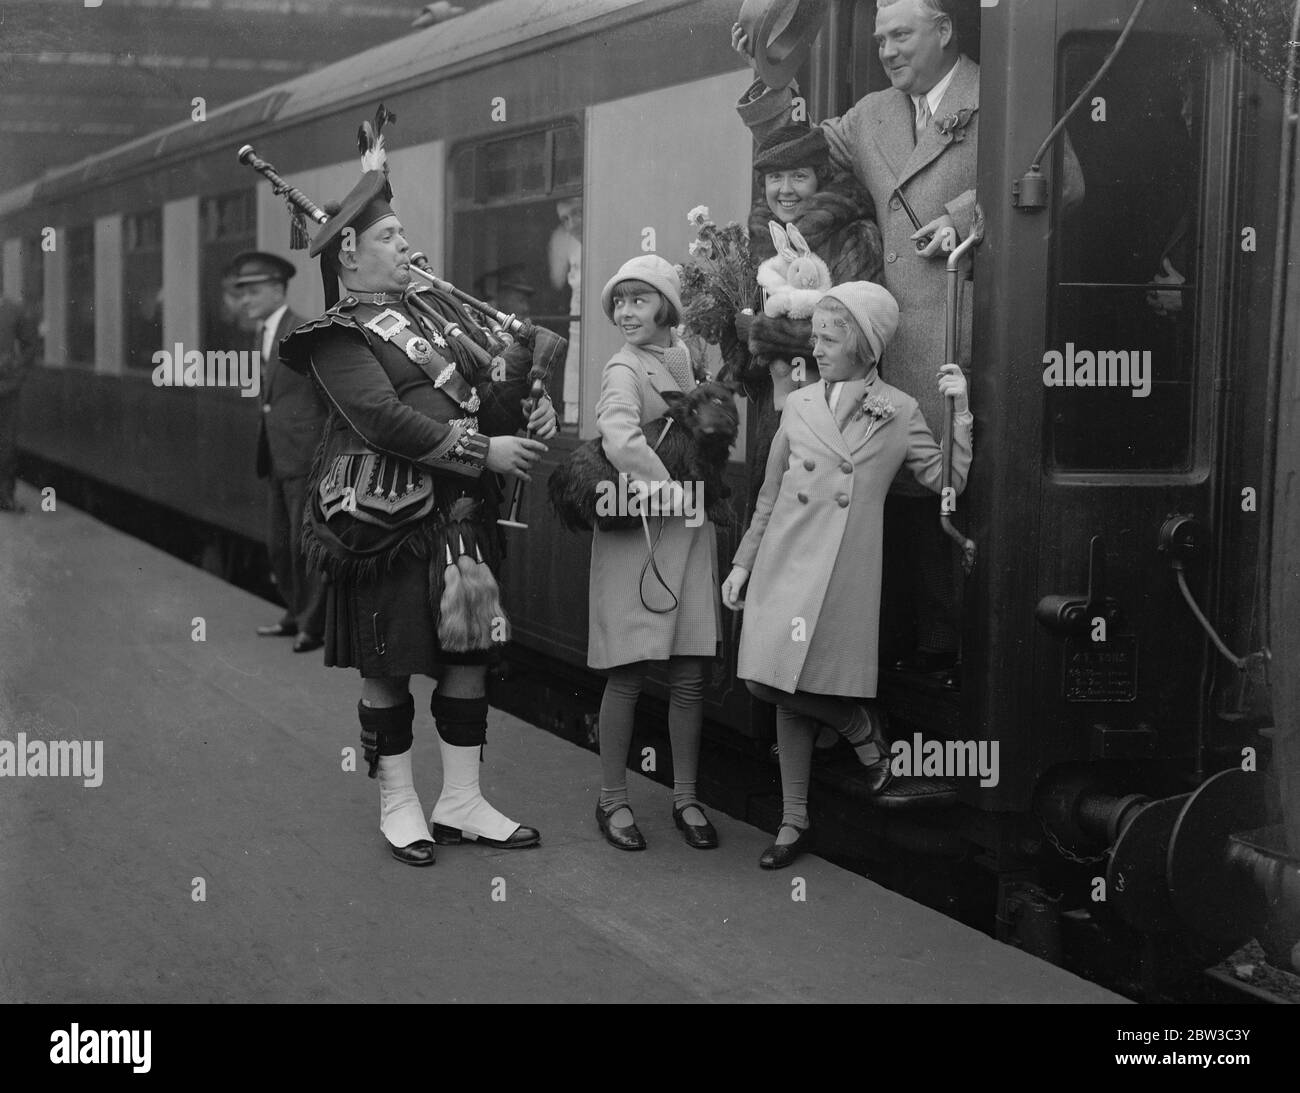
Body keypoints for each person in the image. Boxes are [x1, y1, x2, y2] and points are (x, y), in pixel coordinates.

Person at [279, 154, 563, 867]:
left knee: (467, 655)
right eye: (391, 236)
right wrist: (483, 456)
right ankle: (399, 803)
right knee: (388, 662)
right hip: (383, 522)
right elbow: (380, 420)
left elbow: (478, 402)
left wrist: (525, 402)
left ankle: (461, 799)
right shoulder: (334, 336)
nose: (407, 246)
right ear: (349, 250)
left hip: (458, 520)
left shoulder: (430, 322)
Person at [721, 282, 972, 868]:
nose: (819, 348)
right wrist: (742, 564)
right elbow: (769, 493)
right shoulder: (800, 403)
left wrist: (959, 412)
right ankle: (861, 736)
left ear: (865, 345)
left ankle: (794, 822)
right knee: (766, 680)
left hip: (840, 573)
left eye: (831, 339)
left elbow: (945, 486)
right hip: (783, 561)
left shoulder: (900, 410)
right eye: (818, 337)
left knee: (788, 686)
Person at [589, 255, 722, 852]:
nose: (625, 312)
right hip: (640, 531)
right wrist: (668, 490)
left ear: (665, 307)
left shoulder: (682, 358)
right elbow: (619, 436)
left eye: (639, 301)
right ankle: (612, 801)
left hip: (687, 534)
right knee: (628, 670)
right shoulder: (623, 368)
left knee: (690, 671)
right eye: (619, 302)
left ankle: (686, 798)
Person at [725, 123, 883, 514]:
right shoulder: (764, 241)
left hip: (833, 418)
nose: (785, 189)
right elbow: (745, 349)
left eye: (799, 176)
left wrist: (761, 332)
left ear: (821, 177)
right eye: (775, 178)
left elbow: (852, 334)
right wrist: (734, 337)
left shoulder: (853, 236)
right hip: (774, 417)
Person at [233, 252, 329, 653]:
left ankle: (312, 626)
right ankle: (294, 614)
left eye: (253, 292)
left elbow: (325, 395)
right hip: (276, 454)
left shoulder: (301, 330)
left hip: (304, 456)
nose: (244, 301)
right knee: (279, 544)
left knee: (303, 545)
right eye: (242, 294)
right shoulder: (263, 332)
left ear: (277, 290)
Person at [0, 294, 39, 513]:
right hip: (7, 386)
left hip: (6, 388)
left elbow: (30, 346)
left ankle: (5, 496)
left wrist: (16, 370)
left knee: (6, 445)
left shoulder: (14, 310)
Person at [548, 196, 583, 426]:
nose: (571, 224)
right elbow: (557, 281)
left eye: (576, 213)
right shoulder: (564, 239)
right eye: (564, 219)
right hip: (577, 321)